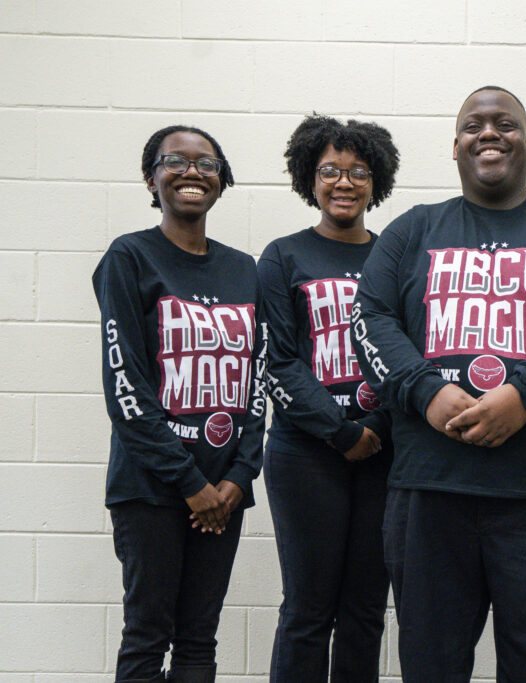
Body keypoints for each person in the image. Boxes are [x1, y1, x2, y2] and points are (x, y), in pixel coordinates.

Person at [351, 86, 526, 682]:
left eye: (504, 124)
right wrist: (426, 392)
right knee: (430, 668)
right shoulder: (411, 231)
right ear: (454, 147)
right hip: (429, 491)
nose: (488, 133)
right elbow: (369, 318)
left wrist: (524, 397)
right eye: (473, 125)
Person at [93, 126, 266, 683]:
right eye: (175, 161)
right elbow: (126, 386)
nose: (192, 171)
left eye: (207, 163)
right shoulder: (130, 257)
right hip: (152, 488)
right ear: (152, 179)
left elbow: (257, 382)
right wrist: (191, 483)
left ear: (222, 180)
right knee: (147, 635)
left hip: (225, 490)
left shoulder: (245, 269)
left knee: (198, 638)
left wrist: (240, 476)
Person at [256, 115, 400, 682]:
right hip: (304, 454)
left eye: (358, 171)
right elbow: (278, 359)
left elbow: (413, 354)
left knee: (365, 610)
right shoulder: (283, 256)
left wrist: (376, 426)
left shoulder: (395, 256)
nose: (344, 182)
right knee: (308, 609)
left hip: (383, 452)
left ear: (376, 181)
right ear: (309, 178)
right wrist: (340, 431)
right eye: (330, 171)